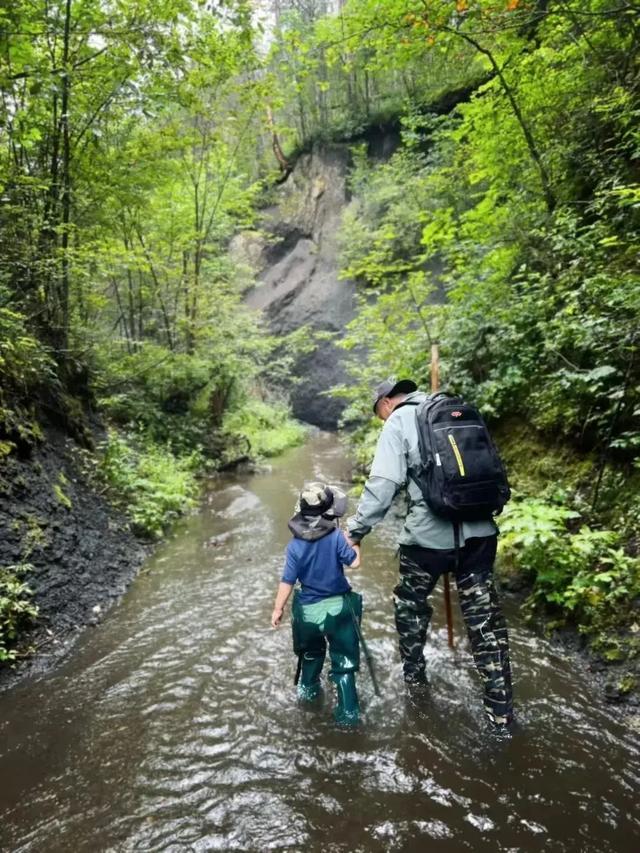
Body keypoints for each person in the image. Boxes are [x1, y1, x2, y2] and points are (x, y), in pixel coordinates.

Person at [345, 378, 513, 731]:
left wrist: (355, 532)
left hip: (427, 543)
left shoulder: (398, 421)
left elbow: (383, 486)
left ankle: (415, 684)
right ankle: (501, 715)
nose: (381, 419)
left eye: (379, 413)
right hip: (479, 537)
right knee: (486, 625)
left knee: (410, 606)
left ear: (387, 403)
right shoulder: (458, 410)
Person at [271, 482, 363, 726]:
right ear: (328, 510)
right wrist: (355, 543)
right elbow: (354, 564)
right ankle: (349, 717)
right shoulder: (335, 537)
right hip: (339, 609)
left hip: (308, 612)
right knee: (344, 663)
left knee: (310, 655)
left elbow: (287, 582)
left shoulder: (294, 546)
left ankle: (307, 698)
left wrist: (278, 609)